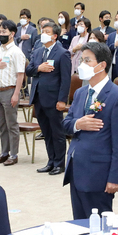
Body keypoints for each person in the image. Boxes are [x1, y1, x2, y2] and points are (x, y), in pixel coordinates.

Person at [62, 42, 118, 219]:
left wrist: (115, 178)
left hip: (99, 173)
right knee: (80, 222)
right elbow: (66, 124)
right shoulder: (80, 93)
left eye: (87, 60)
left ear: (102, 65)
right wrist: (79, 124)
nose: (81, 65)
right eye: (81, 60)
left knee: (99, 225)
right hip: (77, 169)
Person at [26, 22, 72, 174]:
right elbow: (29, 70)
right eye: (42, 30)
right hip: (38, 97)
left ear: (54, 36)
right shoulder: (38, 51)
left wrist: (62, 100)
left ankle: (59, 163)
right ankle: (51, 161)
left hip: (53, 99)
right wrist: (39, 68)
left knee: (56, 132)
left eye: (47, 31)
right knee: (46, 132)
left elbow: (66, 80)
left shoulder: (62, 53)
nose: (43, 33)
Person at [0, 20, 25, 166]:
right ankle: (4, 152)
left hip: (10, 90)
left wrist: (16, 94)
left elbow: (21, 74)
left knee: (12, 124)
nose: (1, 34)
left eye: (4, 32)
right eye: (0, 32)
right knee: (1, 124)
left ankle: (14, 154)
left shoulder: (16, 52)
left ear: (12, 34)